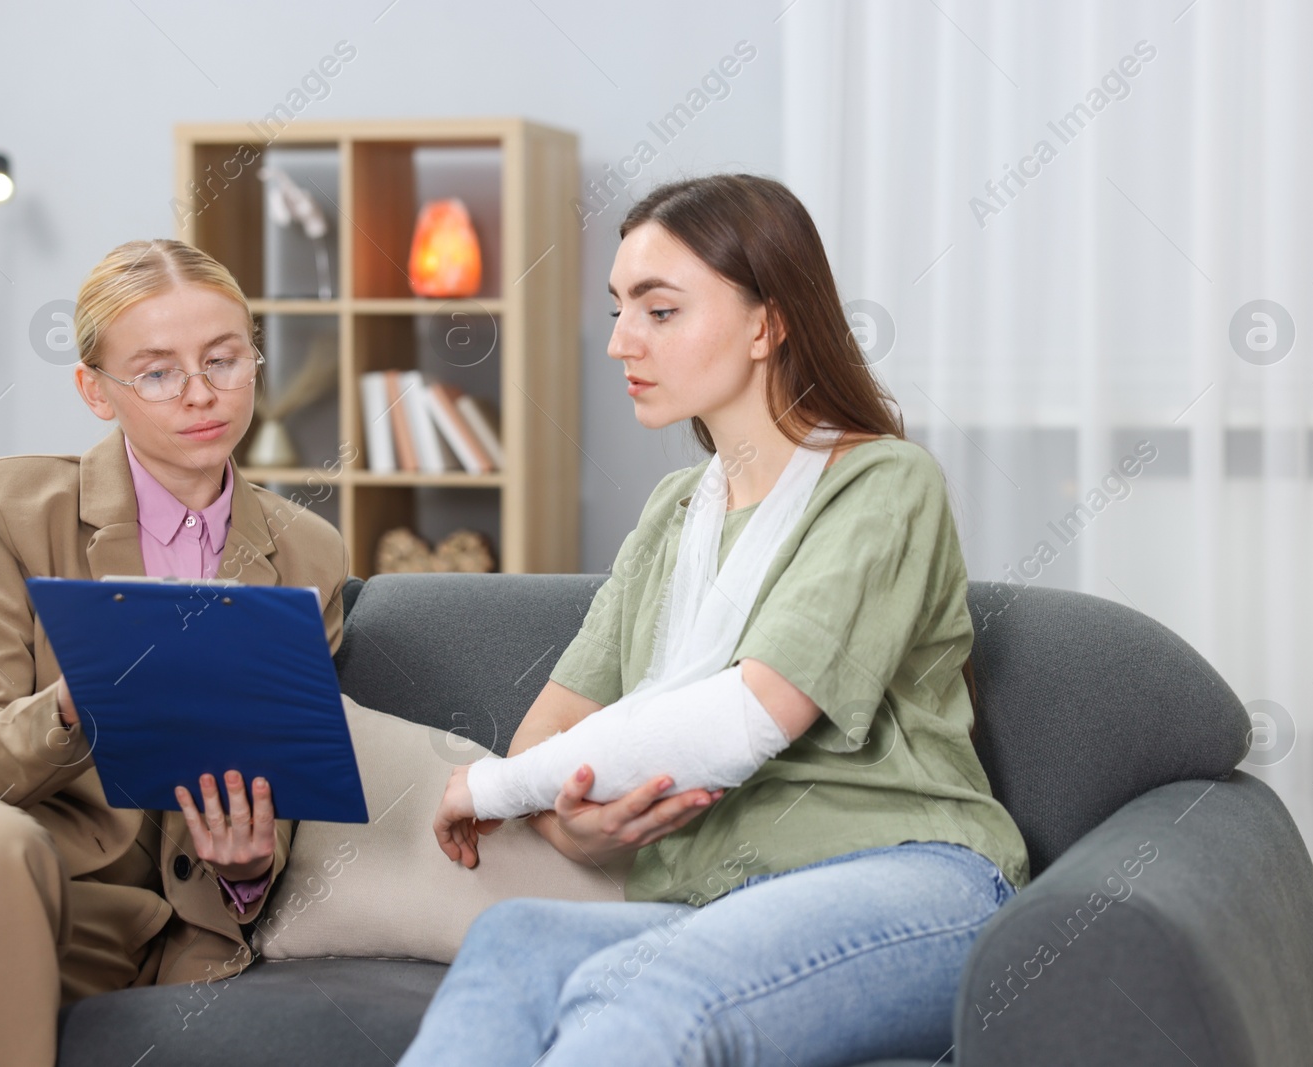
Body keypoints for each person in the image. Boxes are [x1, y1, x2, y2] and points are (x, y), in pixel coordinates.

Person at [402, 174, 1031, 1066]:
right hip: (713, 905)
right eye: (619, 307)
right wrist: (562, 823)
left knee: (650, 990)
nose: (622, 341)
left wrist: (496, 792)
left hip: (910, 879)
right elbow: (552, 733)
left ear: (766, 324)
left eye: (659, 311)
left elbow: (745, 718)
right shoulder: (672, 514)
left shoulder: (882, 484)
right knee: (513, 945)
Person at [0, 239, 350, 1067]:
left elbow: (282, 784)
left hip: (106, 908)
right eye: (157, 372)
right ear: (95, 390)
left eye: (225, 360)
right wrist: (72, 702)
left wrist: (246, 867)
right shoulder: (9, 504)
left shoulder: (309, 553)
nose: (202, 393)